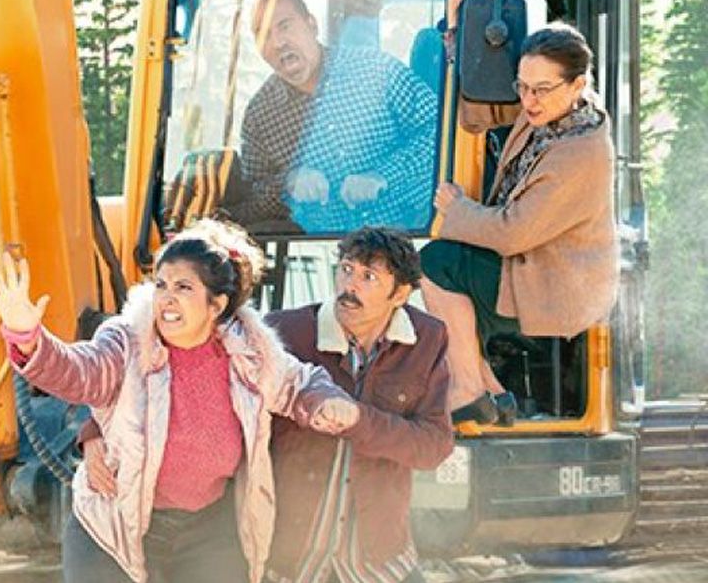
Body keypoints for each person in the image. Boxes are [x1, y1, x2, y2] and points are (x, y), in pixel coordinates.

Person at [0, 219, 357, 583]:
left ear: (217, 305)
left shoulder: (251, 352)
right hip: (115, 525)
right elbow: (81, 373)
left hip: (207, 530)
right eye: (161, 285)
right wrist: (29, 338)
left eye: (184, 288)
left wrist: (325, 402)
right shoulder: (126, 341)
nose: (167, 299)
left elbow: (297, 384)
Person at [83, 227, 453, 583]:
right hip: (290, 555)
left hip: (375, 556)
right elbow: (174, 365)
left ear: (401, 293)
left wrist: (359, 420)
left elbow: (434, 446)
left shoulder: (427, 340)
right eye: (346, 270)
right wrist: (95, 430)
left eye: (369, 277)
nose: (349, 286)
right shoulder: (282, 333)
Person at [419, 23, 617, 424]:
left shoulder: (581, 152)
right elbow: (479, 113)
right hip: (532, 267)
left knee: (436, 263)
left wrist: (457, 211)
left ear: (577, 84)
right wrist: (457, 32)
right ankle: (491, 392)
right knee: (452, 297)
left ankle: (470, 387)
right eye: (522, 86)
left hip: (556, 286)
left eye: (540, 89)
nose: (528, 99)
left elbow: (512, 234)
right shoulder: (551, 112)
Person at [223, 0, 439, 233]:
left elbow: (439, 134)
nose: (277, 43)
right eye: (263, 35)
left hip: (410, 241)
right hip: (327, 255)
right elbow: (251, 201)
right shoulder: (259, 116)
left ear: (311, 25)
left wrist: (383, 177)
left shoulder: (376, 70)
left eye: (284, 26)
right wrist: (288, 184)